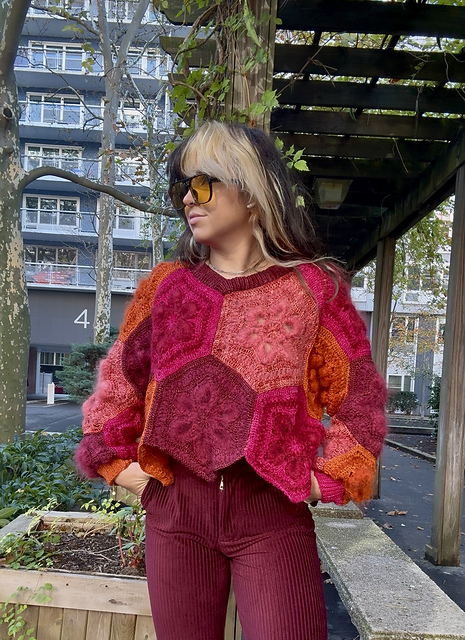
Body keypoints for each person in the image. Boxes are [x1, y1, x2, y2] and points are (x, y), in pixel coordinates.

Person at [76, 121, 387, 640]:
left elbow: (360, 399)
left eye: (202, 184)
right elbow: (117, 388)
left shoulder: (312, 290)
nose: (187, 199)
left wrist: (325, 479)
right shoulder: (167, 290)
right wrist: (124, 470)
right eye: (182, 187)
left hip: (272, 515)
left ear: (249, 189)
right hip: (176, 512)